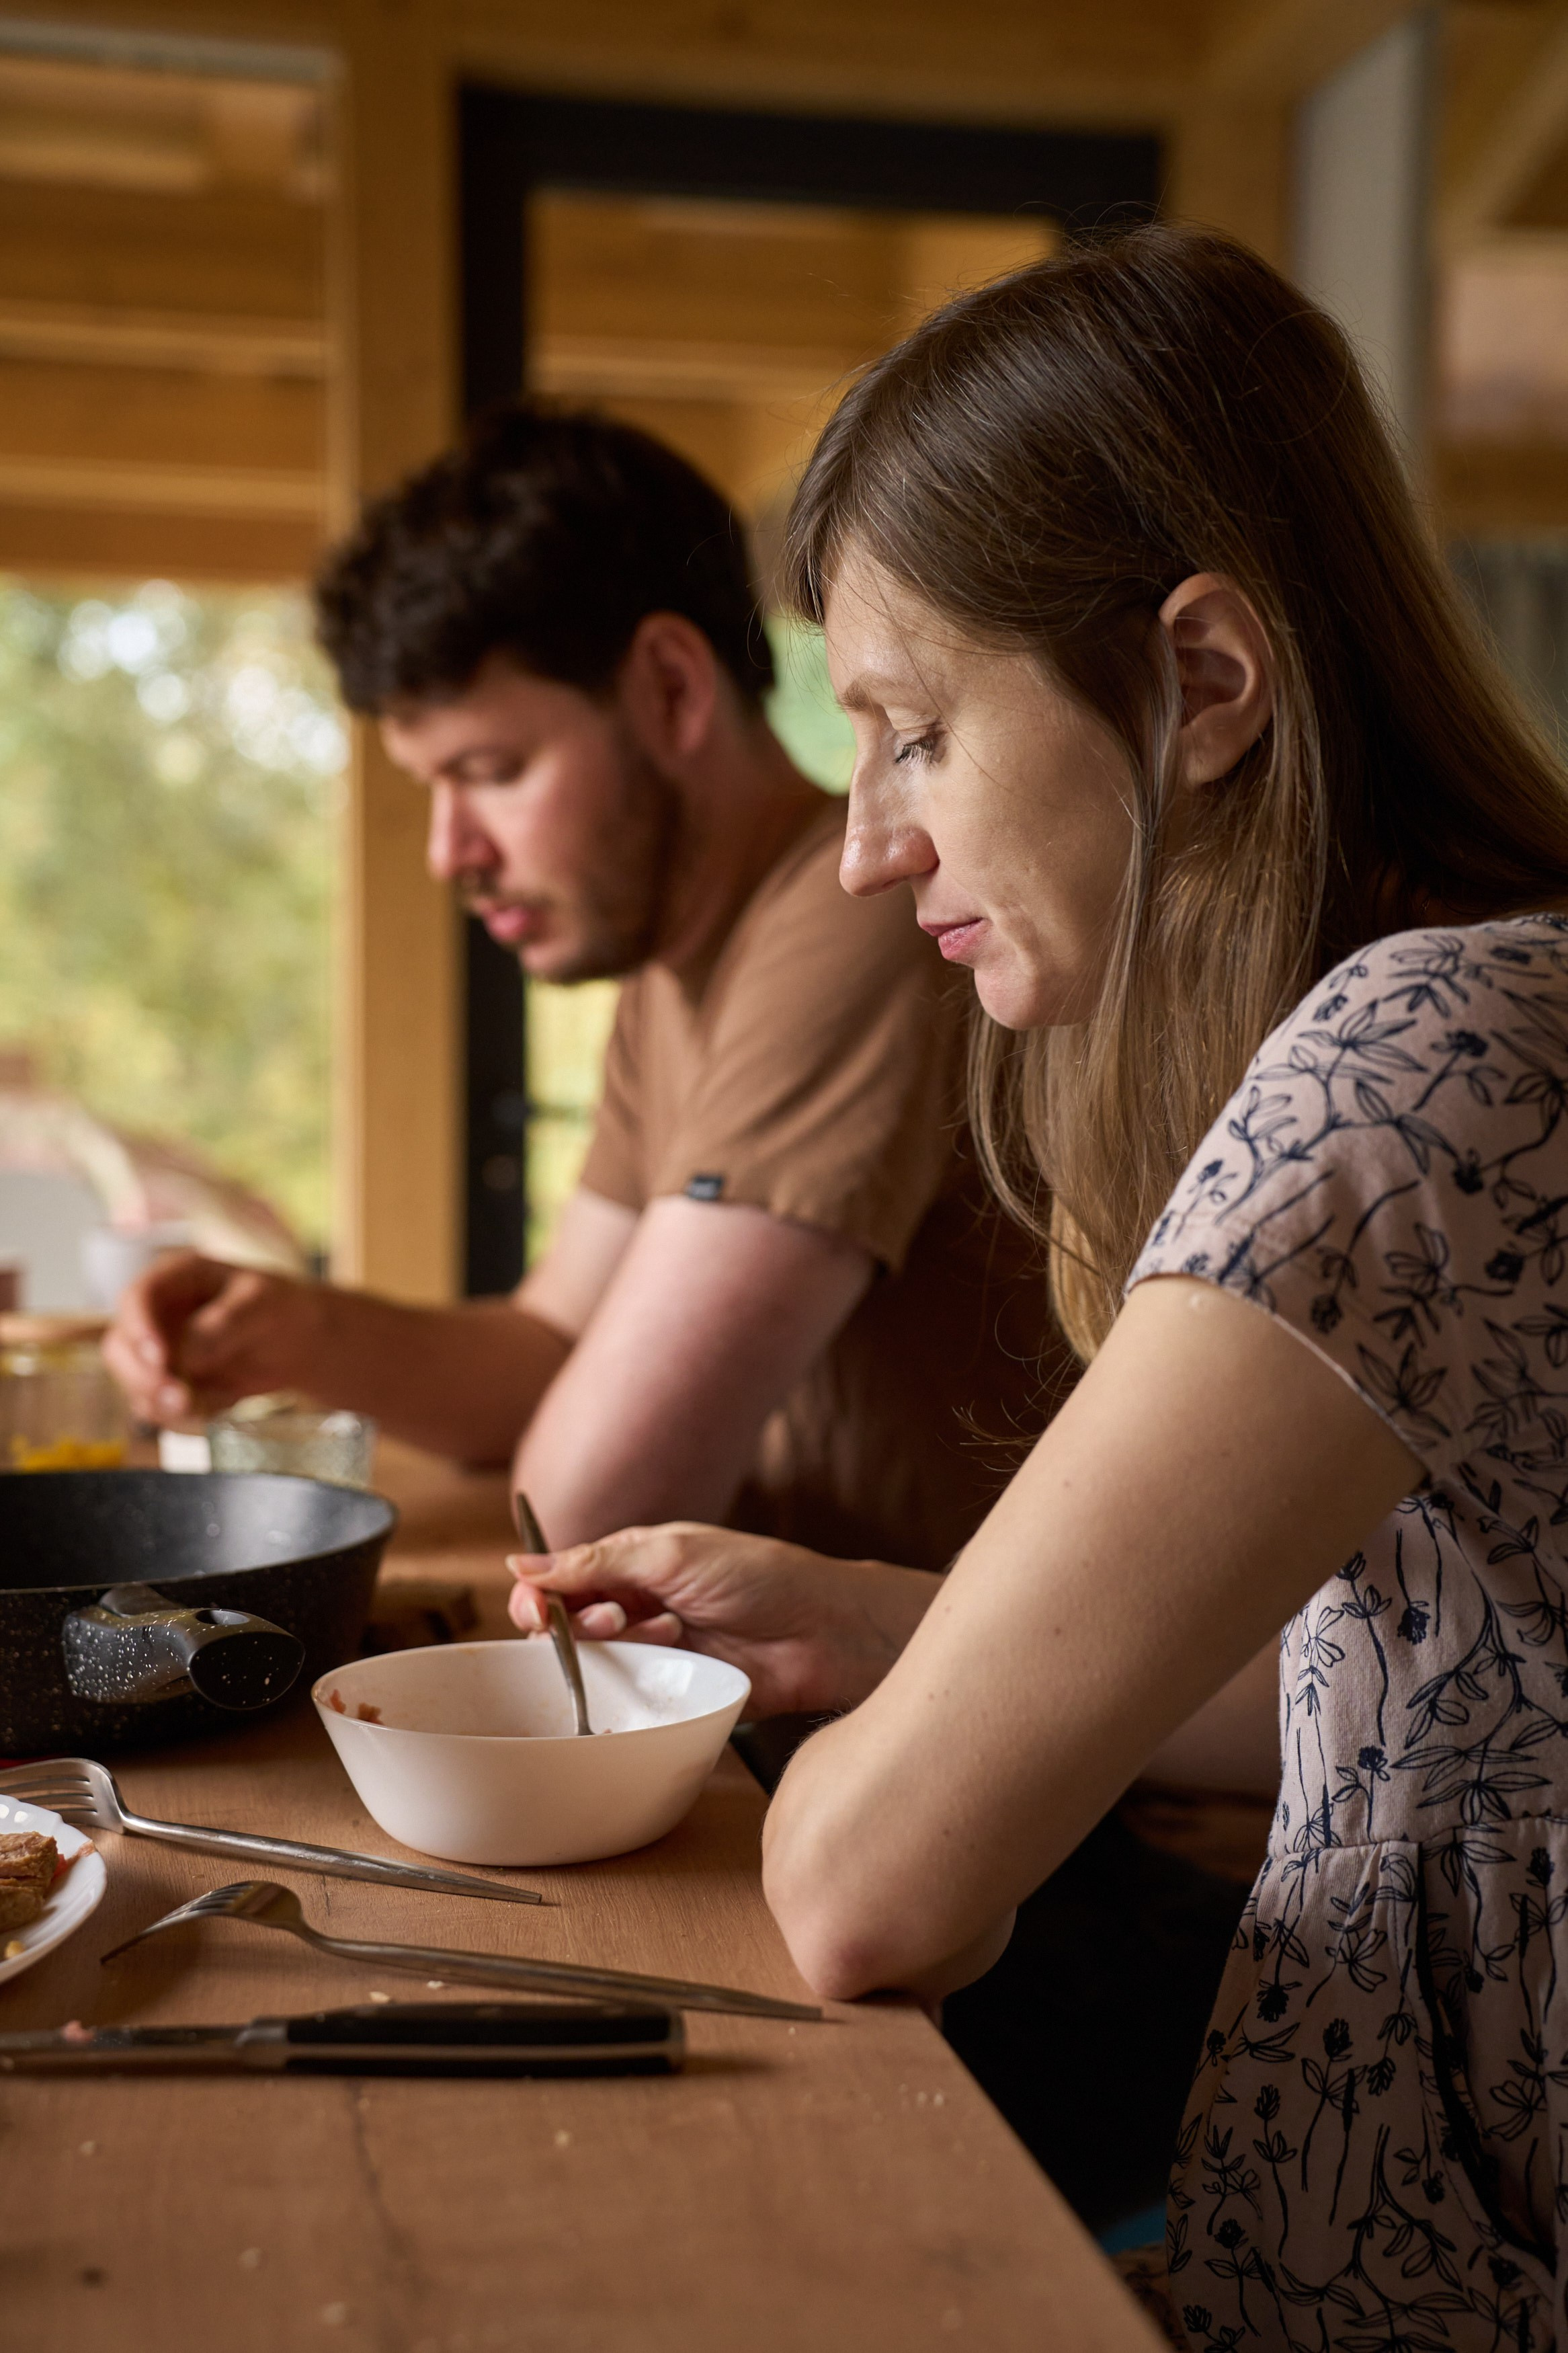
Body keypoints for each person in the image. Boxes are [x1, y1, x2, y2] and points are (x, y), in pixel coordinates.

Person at [507, 227, 1568, 2346]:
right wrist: (882, 1615)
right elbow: (1439, 1702)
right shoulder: (1498, 1002)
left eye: (910, 730)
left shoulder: (1403, 1071)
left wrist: (909, 1745)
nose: (861, 840)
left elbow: (854, 1886)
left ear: (1196, 685)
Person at [105, 406, 1050, 1574]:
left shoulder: (850, 923)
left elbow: (586, 1505)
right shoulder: (676, 968)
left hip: (996, 1724)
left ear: (668, 688)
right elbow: (548, 1347)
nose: (450, 850)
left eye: (491, 773)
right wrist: (297, 1331)